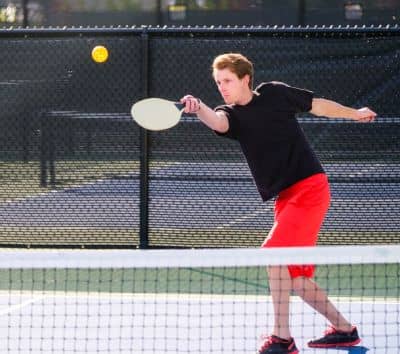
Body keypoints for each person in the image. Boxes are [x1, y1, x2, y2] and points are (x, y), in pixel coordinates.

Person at [180, 53, 376, 354]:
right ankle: (345, 330)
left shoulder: (274, 93)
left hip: (310, 188)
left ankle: (282, 338)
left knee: (274, 254)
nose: (223, 87)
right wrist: (199, 107)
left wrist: (355, 112)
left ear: (246, 78)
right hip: (286, 198)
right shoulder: (231, 114)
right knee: (295, 278)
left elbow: (318, 105)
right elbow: (218, 123)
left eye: (228, 80)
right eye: (218, 82)